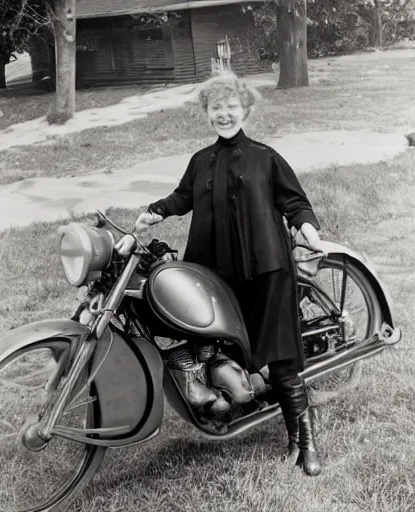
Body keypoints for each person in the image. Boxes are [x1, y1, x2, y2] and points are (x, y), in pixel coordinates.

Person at [132, 71, 323, 476]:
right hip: (216, 274)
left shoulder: (265, 157)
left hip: (267, 270)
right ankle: (228, 398)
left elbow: (294, 201)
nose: (224, 114)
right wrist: (156, 211)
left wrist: (307, 228)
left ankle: (304, 442)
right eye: (216, 107)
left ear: (245, 110)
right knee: (216, 343)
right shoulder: (201, 160)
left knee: (280, 357)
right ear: (207, 113)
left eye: (231, 107)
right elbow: (183, 196)